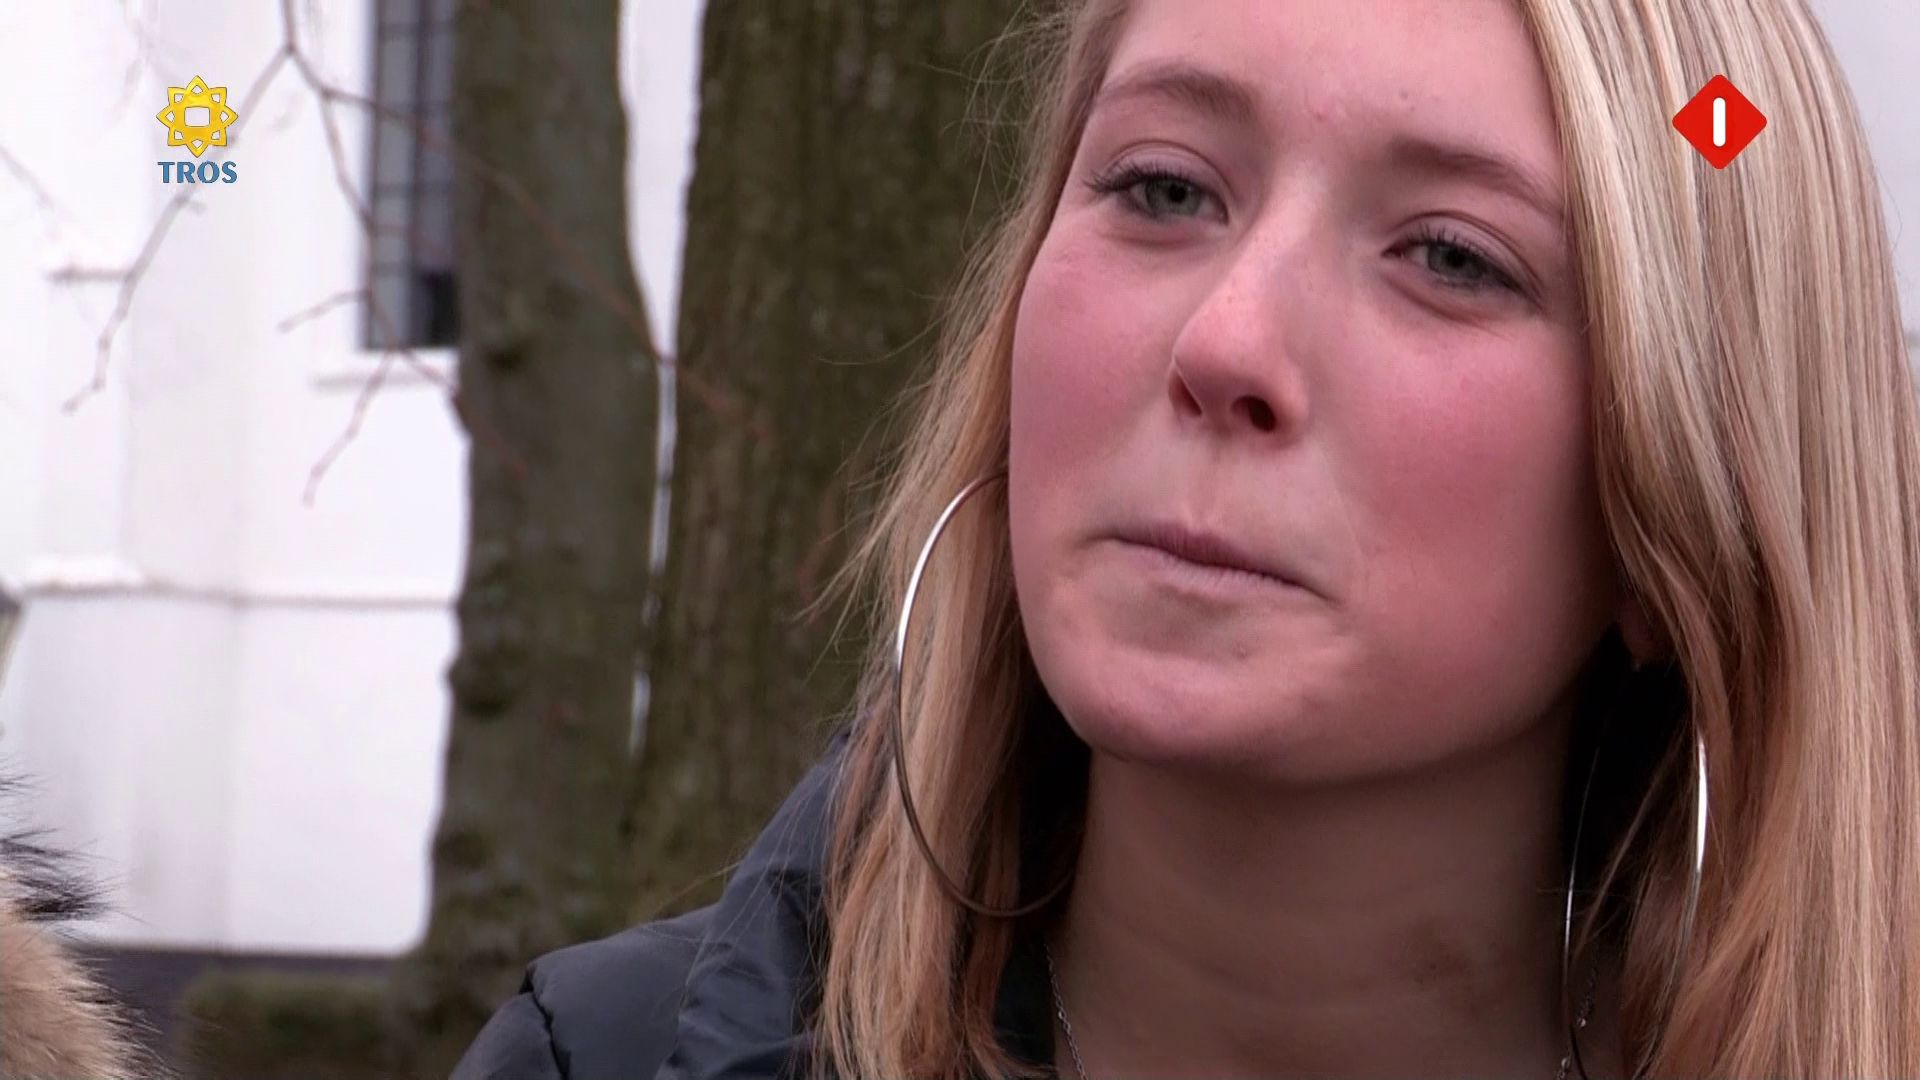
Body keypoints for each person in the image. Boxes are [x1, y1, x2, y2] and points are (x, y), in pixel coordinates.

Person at [455, 0, 1920, 1076]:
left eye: (1452, 255)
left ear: (1688, 493)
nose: (1224, 342)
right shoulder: (594, 1060)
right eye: (1164, 187)